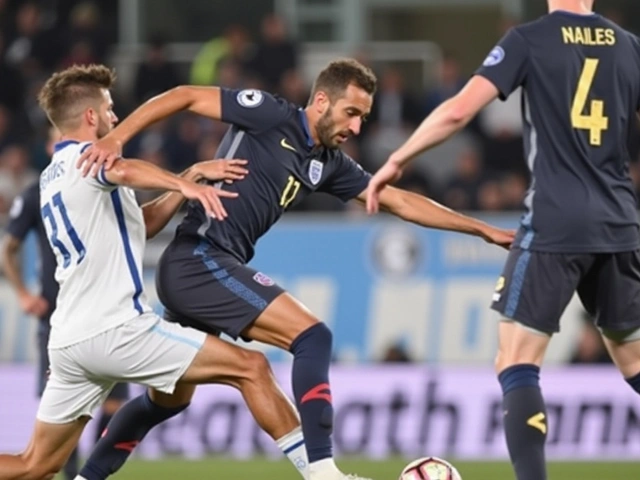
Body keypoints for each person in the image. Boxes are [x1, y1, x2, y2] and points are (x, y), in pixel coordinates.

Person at [77, 58, 514, 480]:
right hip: (200, 258)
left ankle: (86, 478)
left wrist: (479, 229)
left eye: (363, 117)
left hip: (206, 269)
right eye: (351, 113)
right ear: (321, 101)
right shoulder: (270, 114)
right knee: (312, 336)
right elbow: (186, 95)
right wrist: (119, 138)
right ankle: (323, 470)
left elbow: (398, 200)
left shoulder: (327, 164)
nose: (357, 126)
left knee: (166, 403)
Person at [365, 2, 640, 480]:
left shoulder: (528, 39)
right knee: (633, 357)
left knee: (515, 360)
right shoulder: (631, 46)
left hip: (555, 220)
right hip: (619, 220)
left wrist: (396, 159)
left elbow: (457, 111)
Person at [0, 63, 308, 480]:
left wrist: (187, 175)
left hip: (69, 342)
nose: (115, 119)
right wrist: (185, 187)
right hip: (115, 329)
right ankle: (323, 475)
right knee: (250, 368)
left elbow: (138, 226)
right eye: (109, 110)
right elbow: (122, 169)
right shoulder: (90, 159)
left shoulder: (50, 178)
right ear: (90, 116)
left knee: (35, 464)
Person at [0, 127, 130, 480]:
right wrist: (25, 295)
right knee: (53, 436)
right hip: (59, 318)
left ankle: (85, 473)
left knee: (116, 408)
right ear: (49, 147)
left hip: (102, 314)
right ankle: (73, 472)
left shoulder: (93, 185)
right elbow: (7, 249)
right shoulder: (34, 194)